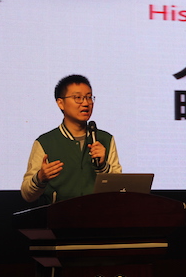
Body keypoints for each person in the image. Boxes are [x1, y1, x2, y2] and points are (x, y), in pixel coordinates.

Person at [21, 74, 122, 204]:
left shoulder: (105, 139)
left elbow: (120, 189)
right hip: (60, 215)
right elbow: (27, 195)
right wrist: (40, 178)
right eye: (78, 98)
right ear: (60, 103)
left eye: (89, 97)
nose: (86, 103)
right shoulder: (45, 142)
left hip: (99, 213)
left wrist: (103, 166)